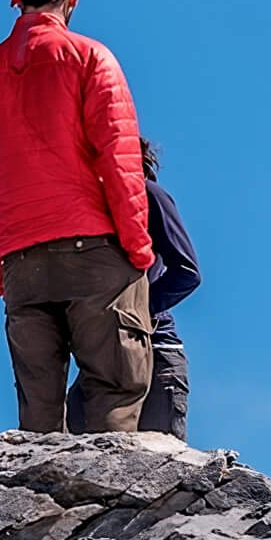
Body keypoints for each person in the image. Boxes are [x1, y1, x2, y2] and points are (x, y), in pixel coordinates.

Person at [0, 0, 156, 434]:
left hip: (22, 262)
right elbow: (120, 161)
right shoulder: (91, 59)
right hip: (96, 253)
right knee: (116, 390)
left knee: (38, 417)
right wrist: (138, 249)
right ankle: (111, 511)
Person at [69, 138, 200, 439]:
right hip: (101, 362)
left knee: (159, 469)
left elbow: (187, 272)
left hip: (155, 353)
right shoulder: (89, 210)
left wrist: (134, 311)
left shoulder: (149, 195)